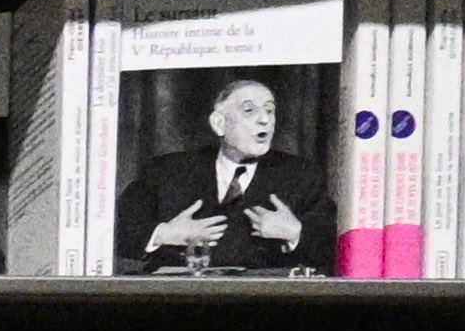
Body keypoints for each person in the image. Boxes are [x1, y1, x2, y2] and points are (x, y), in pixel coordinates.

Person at [119, 74, 327, 274]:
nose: (265, 119)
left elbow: (330, 247)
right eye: (249, 110)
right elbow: (116, 231)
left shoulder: (302, 176)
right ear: (219, 124)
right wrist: (165, 234)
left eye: (270, 110)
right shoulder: (165, 170)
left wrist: (295, 233)